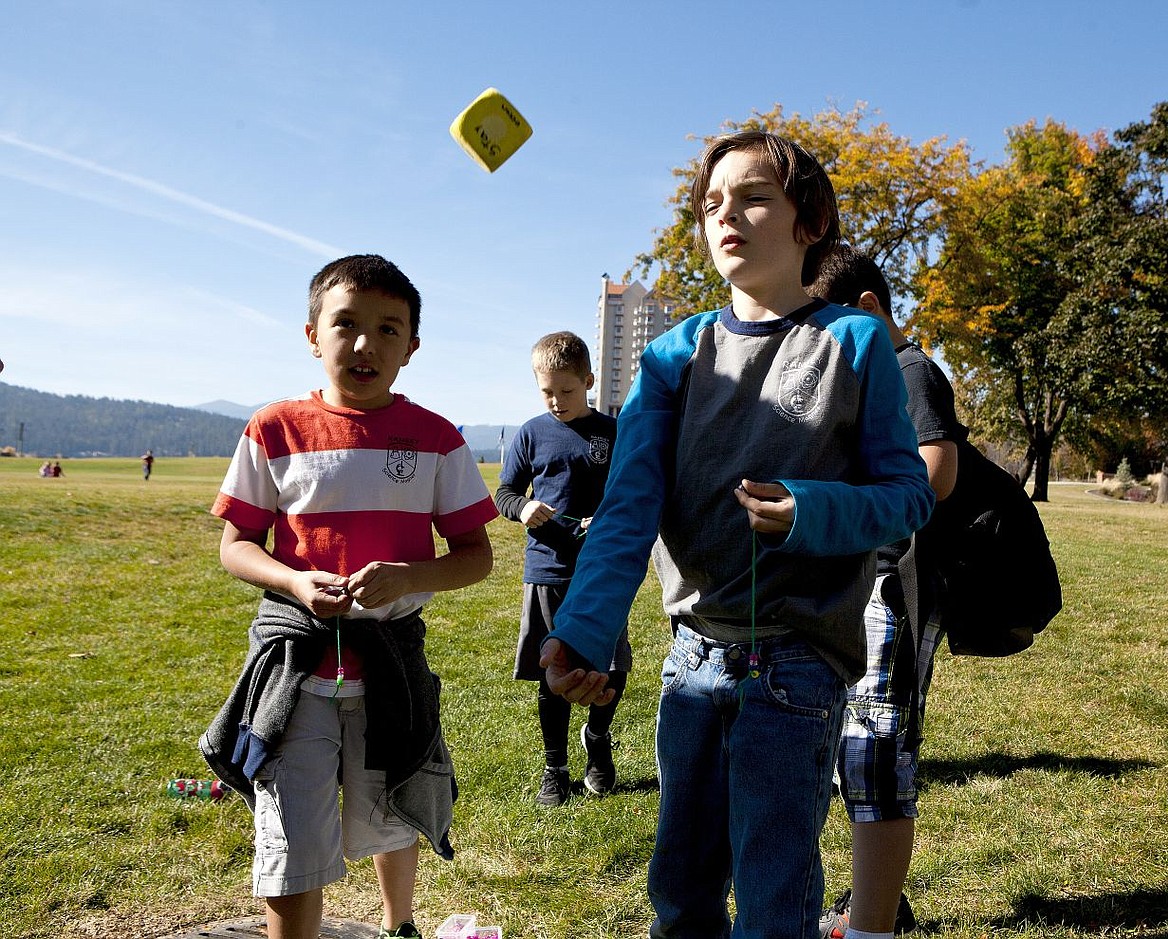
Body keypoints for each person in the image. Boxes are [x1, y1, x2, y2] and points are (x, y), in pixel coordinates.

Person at [540, 130, 935, 939]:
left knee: (773, 891)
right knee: (680, 887)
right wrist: (581, 631)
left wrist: (813, 510)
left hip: (798, 670)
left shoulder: (855, 343)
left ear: (809, 221)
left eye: (755, 196)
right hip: (691, 661)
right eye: (713, 202)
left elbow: (907, 497)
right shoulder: (671, 356)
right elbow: (626, 510)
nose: (729, 215)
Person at [200, 254, 497, 939]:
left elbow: (476, 557)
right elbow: (235, 544)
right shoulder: (272, 428)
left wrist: (409, 575)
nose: (366, 344)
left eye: (388, 329)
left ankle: (400, 927)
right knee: (293, 838)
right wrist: (294, 581)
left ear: (412, 347)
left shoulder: (437, 439)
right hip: (296, 674)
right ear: (312, 333)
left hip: (390, 670)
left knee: (392, 807)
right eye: (346, 324)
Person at [807, 246, 966, 939]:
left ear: (869, 311)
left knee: (876, 754)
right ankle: (877, 903)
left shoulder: (909, 369)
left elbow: (937, 471)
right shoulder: (876, 379)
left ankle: (871, 928)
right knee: (858, 756)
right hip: (863, 588)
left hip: (892, 588)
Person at [494, 331, 629, 807]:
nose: (556, 401)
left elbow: (631, 492)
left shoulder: (613, 433)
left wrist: (606, 517)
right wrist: (522, 509)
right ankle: (556, 767)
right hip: (547, 570)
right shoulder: (531, 433)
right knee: (552, 666)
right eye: (546, 391)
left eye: (566, 391)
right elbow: (504, 493)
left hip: (602, 572)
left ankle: (598, 740)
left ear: (589, 381)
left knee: (610, 666)